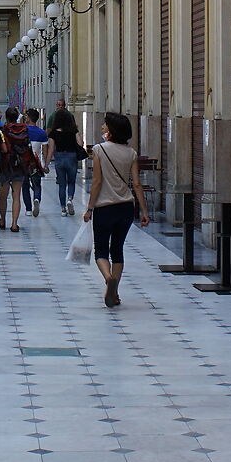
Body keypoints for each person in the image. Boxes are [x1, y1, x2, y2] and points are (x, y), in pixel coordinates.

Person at [83, 112, 147, 307]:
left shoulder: (99, 150)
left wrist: (89, 208)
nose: (102, 127)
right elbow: (136, 184)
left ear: (111, 130)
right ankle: (115, 291)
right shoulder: (131, 153)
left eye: (105, 125)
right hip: (126, 208)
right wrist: (144, 211)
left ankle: (108, 278)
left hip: (104, 208)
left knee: (101, 250)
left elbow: (97, 182)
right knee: (117, 249)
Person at [47, 99, 82, 216]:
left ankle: (63, 209)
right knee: (71, 182)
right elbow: (80, 143)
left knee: (62, 184)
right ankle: (70, 199)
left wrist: (46, 164)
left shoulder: (53, 133)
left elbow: (51, 150)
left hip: (59, 158)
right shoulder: (73, 130)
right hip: (72, 157)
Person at [19, 108, 50, 217]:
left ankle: (28, 209)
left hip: (23, 162)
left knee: (25, 186)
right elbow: (45, 151)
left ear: (29, 118)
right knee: (37, 185)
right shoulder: (42, 133)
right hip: (35, 162)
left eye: (26, 116)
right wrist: (45, 165)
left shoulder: (22, 131)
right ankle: (36, 198)